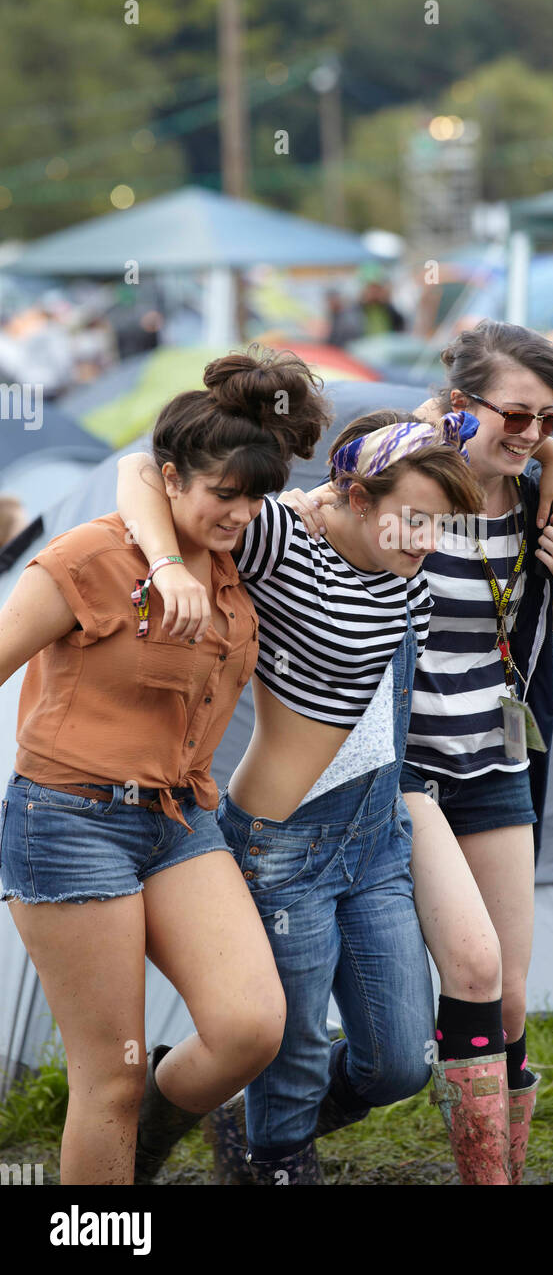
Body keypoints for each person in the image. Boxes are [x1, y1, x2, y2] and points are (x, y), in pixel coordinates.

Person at [116, 406, 485, 1185]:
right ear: (357, 498)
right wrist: (167, 567)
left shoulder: (403, 573)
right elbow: (142, 472)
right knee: (291, 1053)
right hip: (284, 847)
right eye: (413, 520)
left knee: (398, 1063)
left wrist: (541, 465)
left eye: (440, 525)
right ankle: (268, 1153)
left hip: (378, 837)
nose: (426, 539)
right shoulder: (285, 546)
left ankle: (245, 1121)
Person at [0, 349, 329, 1185]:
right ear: (175, 480)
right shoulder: (89, 558)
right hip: (70, 820)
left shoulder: (236, 566)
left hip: (181, 820)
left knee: (253, 1027)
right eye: (224, 494)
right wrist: (162, 564)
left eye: (254, 498)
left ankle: (143, 1137)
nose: (240, 514)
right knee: (107, 1072)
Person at [285, 320, 553, 1183]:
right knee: (472, 963)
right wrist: (450, 426)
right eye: (517, 416)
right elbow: (336, 525)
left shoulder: (546, 502)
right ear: (459, 407)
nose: (534, 438)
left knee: (511, 998)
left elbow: (537, 640)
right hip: (403, 762)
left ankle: (294, 1119)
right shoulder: (411, 480)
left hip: (494, 756)